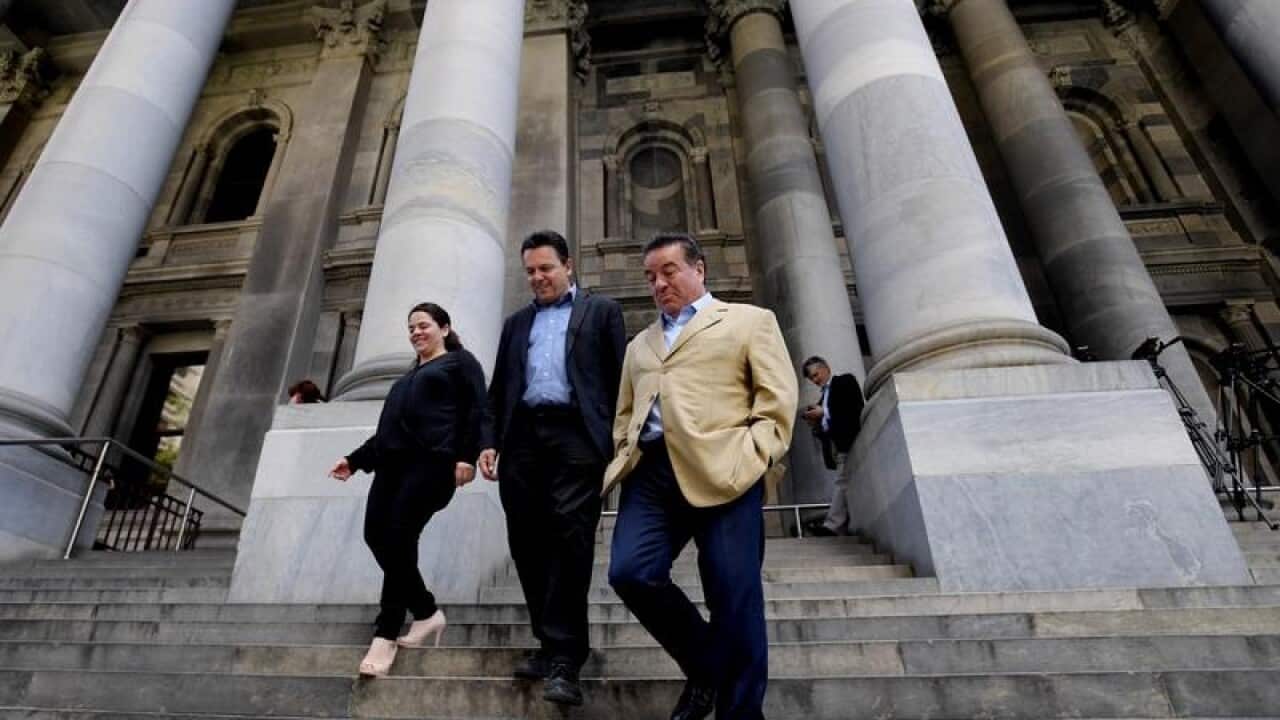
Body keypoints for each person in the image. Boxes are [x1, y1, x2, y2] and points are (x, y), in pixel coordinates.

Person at [604, 232, 798, 720]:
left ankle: (740, 713)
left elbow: (777, 398)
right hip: (652, 475)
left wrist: (757, 453)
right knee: (630, 571)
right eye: (650, 276)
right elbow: (625, 411)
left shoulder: (750, 321)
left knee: (734, 595)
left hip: (726, 469)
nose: (658, 283)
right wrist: (624, 450)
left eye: (669, 271)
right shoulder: (639, 345)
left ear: (699, 269)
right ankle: (707, 666)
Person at [478, 230, 626, 706]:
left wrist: (613, 441)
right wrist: (487, 441)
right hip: (522, 440)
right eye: (530, 271)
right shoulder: (516, 322)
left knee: (568, 537)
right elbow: (500, 387)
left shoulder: (601, 313)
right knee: (526, 541)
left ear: (569, 265)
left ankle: (566, 656)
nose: (537, 278)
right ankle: (549, 642)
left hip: (576, 438)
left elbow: (618, 377)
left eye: (545, 268)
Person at [328, 302, 486, 678]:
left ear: (444, 328)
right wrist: (355, 460)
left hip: (431, 464)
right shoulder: (406, 378)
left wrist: (467, 456)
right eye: (411, 327)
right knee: (375, 534)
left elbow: (477, 410)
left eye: (424, 325)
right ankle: (427, 612)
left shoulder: (461, 364)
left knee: (398, 537)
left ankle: (385, 634)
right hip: (391, 467)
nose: (416, 332)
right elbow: (389, 431)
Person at [800, 356, 865, 537]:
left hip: (851, 441)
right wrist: (816, 423)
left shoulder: (845, 381)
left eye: (816, 374)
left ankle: (832, 525)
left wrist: (825, 412)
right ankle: (841, 524)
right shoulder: (823, 398)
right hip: (837, 447)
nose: (815, 380)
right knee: (844, 482)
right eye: (811, 378)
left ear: (826, 368)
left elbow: (854, 409)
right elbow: (825, 428)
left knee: (842, 482)